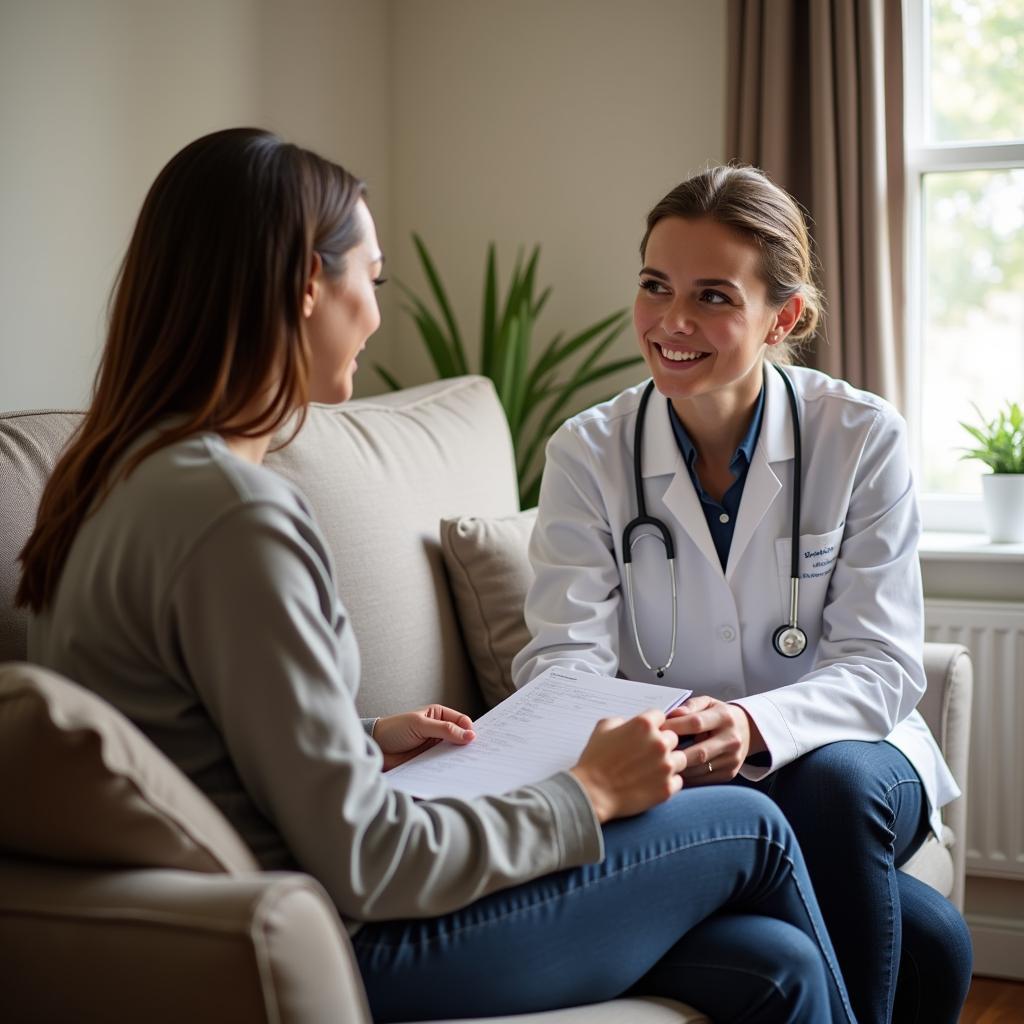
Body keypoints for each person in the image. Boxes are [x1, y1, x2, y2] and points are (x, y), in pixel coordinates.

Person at [16, 130, 853, 1024]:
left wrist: (363, 735)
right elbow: (369, 859)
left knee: (777, 965)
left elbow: (181, 732)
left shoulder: (117, 476)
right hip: (355, 937)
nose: (375, 316)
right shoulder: (236, 518)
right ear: (307, 284)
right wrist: (589, 791)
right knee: (752, 824)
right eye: (369, 281)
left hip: (303, 900)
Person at [512, 164, 973, 1024]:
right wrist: (669, 739)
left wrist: (758, 724)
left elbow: (880, 663)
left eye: (714, 297)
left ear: (783, 316)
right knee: (933, 941)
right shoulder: (588, 452)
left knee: (833, 791)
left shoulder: (861, 436)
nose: (671, 323)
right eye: (655, 286)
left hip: (848, 759)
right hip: (678, 770)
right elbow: (562, 662)